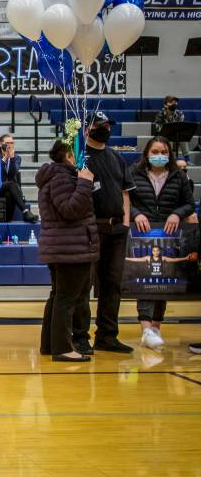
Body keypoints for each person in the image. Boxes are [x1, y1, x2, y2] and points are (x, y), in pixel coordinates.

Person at [72, 112, 135, 355]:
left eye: (108, 125)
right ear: (88, 129)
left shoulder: (117, 157)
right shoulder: (80, 156)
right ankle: (79, 336)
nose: (106, 128)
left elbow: (125, 192)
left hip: (117, 229)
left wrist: (126, 222)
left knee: (113, 284)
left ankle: (107, 336)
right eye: (101, 125)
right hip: (90, 228)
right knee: (84, 286)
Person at [129, 136, 198, 349]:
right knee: (145, 282)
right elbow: (124, 201)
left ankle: (156, 327)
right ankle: (146, 329)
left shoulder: (178, 176)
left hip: (169, 234)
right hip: (143, 234)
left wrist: (177, 214)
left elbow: (189, 204)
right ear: (147, 153)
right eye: (156, 152)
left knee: (163, 284)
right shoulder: (133, 173)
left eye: (164, 152)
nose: (160, 156)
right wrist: (136, 213)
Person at [36, 141, 98, 362]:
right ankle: (62, 348)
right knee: (66, 298)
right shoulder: (63, 177)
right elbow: (70, 209)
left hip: (63, 246)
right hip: (70, 247)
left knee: (58, 296)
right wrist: (84, 183)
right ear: (68, 155)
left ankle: (50, 345)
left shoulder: (54, 176)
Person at [0, 132, 38, 222]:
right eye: (7, 143)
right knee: (11, 185)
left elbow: (12, 174)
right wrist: (4, 159)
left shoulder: (16, 158)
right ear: (0, 144)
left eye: (12, 143)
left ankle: (7, 222)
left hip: (10, 189)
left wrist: (11, 158)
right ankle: (25, 211)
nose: (10, 146)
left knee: (9, 194)